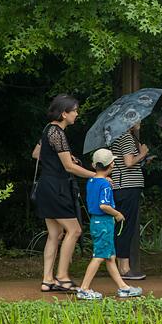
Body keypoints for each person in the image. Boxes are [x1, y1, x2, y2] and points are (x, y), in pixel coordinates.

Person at [31, 94, 97, 293]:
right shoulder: (57, 133)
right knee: (74, 230)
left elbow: (36, 153)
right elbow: (69, 167)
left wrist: (63, 157)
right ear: (63, 113)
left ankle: (47, 280)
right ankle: (62, 277)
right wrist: (97, 176)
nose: (77, 114)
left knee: (55, 233)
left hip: (46, 186)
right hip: (56, 188)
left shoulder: (47, 130)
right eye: (74, 110)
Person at [76, 149, 143, 300]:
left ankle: (123, 287)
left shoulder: (92, 181)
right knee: (99, 256)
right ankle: (84, 288)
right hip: (104, 223)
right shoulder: (105, 185)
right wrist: (117, 214)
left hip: (96, 221)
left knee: (110, 257)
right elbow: (103, 206)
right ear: (111, 165)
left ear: (94, 165)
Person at [108, 124, 148, 280]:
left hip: (121, 185)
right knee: (126, 226)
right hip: (127, 187)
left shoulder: (117, 136)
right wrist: (143, 153)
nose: (139, 120)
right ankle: (124, 268)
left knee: (121, 225)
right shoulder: (125, 137)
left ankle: (120, 265)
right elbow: (129, 162)